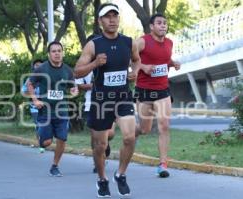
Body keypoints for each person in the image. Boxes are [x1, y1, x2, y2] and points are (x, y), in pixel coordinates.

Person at [74, 3, 142, 198]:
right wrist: (95, 63)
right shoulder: (93, 44)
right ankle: (102, 179)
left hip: (122, 97)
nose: (112, 20)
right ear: (100, 21)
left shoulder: (129, 42)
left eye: (115, 16)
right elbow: (77, 71)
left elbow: (137, 60)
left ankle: (120, 174)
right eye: (107, 16)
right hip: (101, 101)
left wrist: (135, 72)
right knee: (100, 146)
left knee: (129, 137)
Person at [134, 13, 181, 178]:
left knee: (164, 126)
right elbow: (128, 59)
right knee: (145, 129)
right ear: (152, 26)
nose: (163, 26)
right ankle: (132, 133)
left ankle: (163, 164)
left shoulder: (169, 42)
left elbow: (164, 60)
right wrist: (143, 67)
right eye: (159, 23)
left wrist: (172, 63)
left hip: (163, 90)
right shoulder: (141, 41)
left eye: (165, 23)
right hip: (144, 91)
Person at [27, 41, 79, 177]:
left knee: (62, 139)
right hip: (46, 111)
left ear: (62, 53)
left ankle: (55, 166)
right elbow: (29, 84)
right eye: (54, 51)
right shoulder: (42, 69)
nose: (57, 53)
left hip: (62, 111)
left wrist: (74, 90)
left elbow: (72, 86)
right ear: (49, 54)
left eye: (59, 51)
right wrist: (35, 100)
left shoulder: (67, 70)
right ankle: (40, 134)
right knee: (47, 142)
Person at [75, 70, 116, 173]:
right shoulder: (85, 66)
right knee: (95, 137)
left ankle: (104, 143)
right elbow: (79, 85)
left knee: (110, 134)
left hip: (110, 101)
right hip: (91, 103)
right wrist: (96, 85)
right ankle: (98, 162)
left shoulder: (110, 61)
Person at [21, 59, 44, 153]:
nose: (38, 67)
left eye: (40, 65)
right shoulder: (30, 79)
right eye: (36, 65)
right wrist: (30, 91)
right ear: (33, 67)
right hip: (34, 106)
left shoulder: (47, 78)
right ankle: (41, 145)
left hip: (46, 105)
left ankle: (44, 141)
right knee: (38, 124)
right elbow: (23, 92)